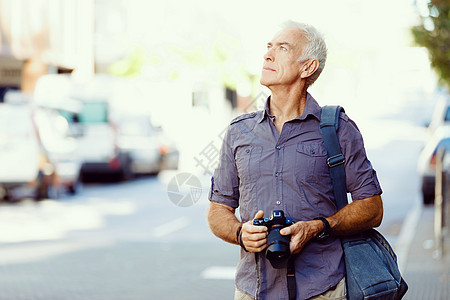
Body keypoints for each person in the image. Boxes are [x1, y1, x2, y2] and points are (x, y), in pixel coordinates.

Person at [207, 20, 383, 300]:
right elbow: (218, 211)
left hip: (322, 289)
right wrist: (242, 233)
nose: (268, 55)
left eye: (282, 48)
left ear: (308, 67)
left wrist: (319, 227)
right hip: (253, 291)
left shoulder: (338, 129)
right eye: (268, 47)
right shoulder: (239, 131)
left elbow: (372, 208)